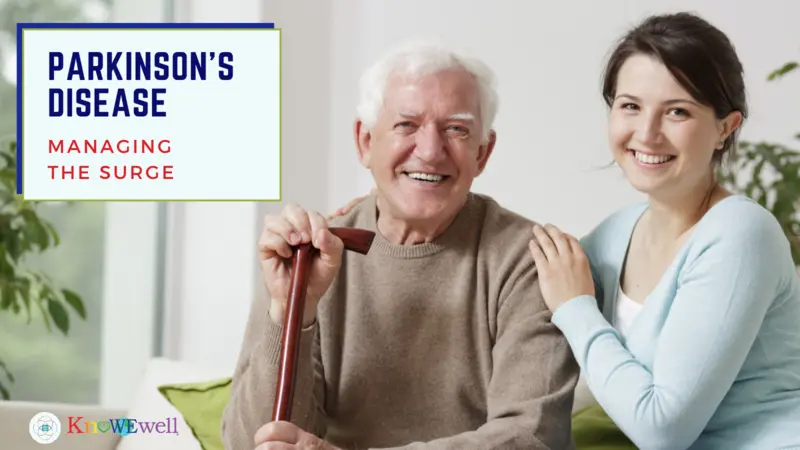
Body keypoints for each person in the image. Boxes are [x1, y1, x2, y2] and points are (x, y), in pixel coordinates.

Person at [221, 41, 580, 450]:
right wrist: (291, 310)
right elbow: (249, 441)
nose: (429, 151)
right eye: (407, 125)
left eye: (456, 129)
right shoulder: (310, 253)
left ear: (483, 152)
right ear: (364, 141)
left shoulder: (529, 262)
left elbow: (533, 436)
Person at [527, 12, 800, 450]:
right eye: (630, 106)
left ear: (725, 128)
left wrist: (576, 307)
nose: (647, 133)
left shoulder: (741, 234)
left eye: (677, 111)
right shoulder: (615, 234)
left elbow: (662, 430)